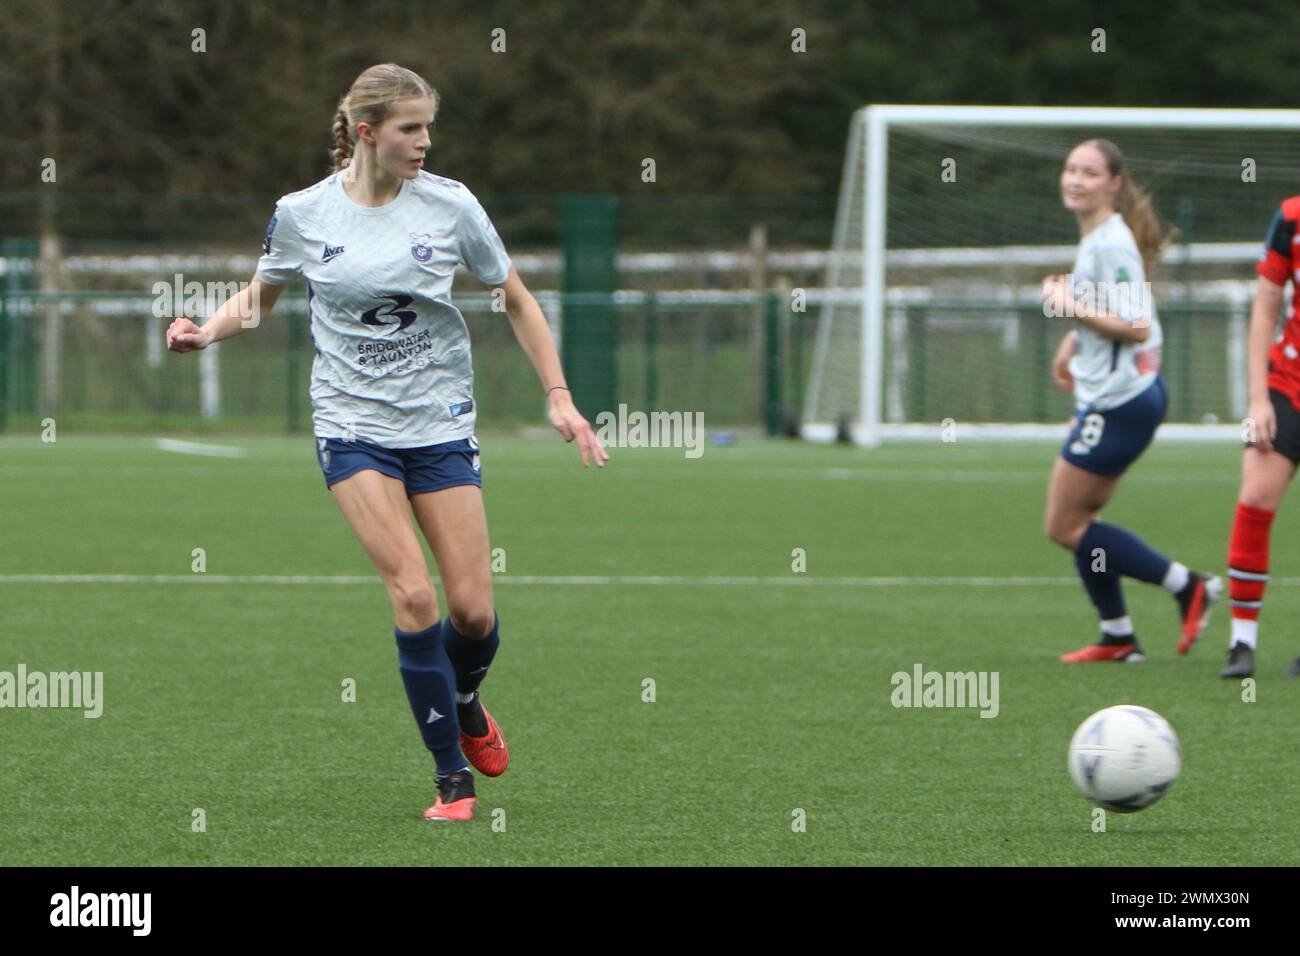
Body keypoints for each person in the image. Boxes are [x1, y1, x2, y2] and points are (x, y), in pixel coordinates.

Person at [166, 63, 608, 821]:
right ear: (366, 132)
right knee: (412, 593)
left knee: (471, 615)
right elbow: (262, 297)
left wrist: (560, 398)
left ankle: (465, 698)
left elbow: (518, 299)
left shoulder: (452, 206)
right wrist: (208, 328)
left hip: (439, 424)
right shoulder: (303, 213)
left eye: (430, 127)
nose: (425, 142)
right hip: (351, 426)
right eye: (410, 129)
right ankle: (450, 782)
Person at [1043, 138, 1220, 663]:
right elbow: (1117, 309)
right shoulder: (1099, 236)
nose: (1075, 180)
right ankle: (1118, 635)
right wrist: (1073, 340)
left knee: (1065, 526)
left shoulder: (1111, 242)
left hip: (1121, 403)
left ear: (1114, 184)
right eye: (1071, 169)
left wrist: (1067, 306)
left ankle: (1188, 585)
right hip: (1120, 397)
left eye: (1089, 173)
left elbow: (1137, 326)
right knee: (1083, 523)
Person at [1219, 196, 1300, 679]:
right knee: (1255, 495)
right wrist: (1257, 401)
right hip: (1285, 384)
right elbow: (1265, 309)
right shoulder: (1291, 217)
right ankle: (1241, 644)